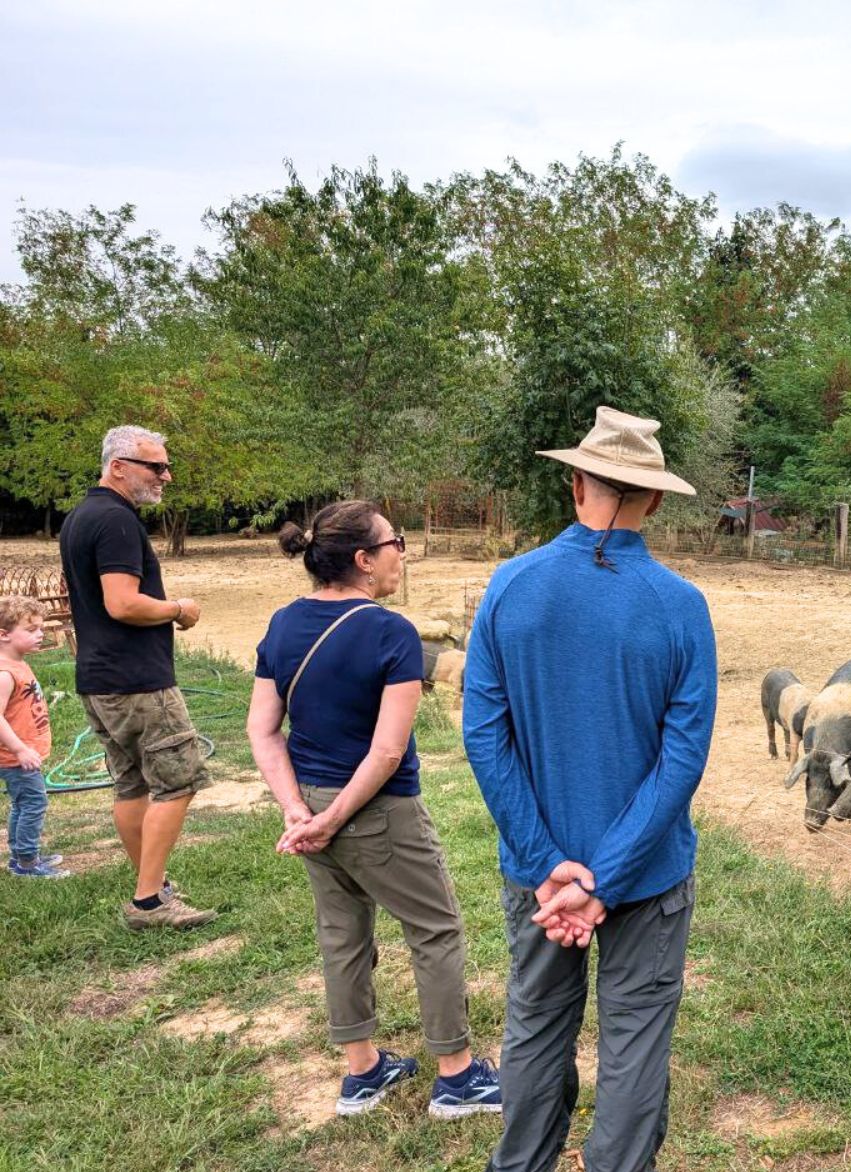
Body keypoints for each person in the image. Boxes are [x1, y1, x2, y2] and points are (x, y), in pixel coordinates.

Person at [466, 407, 717, 1172]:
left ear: (575, 481)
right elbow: (682, 761)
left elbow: (484, 736)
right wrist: (601, 877)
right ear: (658, 501)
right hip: (645, 878)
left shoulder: (510, 587)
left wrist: (548, 866)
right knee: (636, 1037)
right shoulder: (681, 607)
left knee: (537, 1021)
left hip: (537, 880)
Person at [248, 500, 502, 1120]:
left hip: (310, 804)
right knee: (435, 930)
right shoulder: (392, 633)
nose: (403, 552)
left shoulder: (282, 624)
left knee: (342, 934)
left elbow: (262, 730)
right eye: (396, 541)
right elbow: (388, 751)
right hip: (378, 813)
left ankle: (361, 1073)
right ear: (364, 561)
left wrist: (298, 811)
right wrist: (334, 819)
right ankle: (457, 1076)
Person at [59, 425, 212, 928]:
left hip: (98, 677)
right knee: (180, 780)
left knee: (131, 786)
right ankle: (149, 901)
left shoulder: (81, 516)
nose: (165, 475)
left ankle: (153, 885)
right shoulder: (117, 521)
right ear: (118, 466)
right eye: (156, 466)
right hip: (137, 681)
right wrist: (178, 609)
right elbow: (122, 603)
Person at [0, 597, 69, 878]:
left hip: (23, 755)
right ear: (4, 635)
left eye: (41, 628)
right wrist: (19, 750)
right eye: (30, 630)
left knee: (23, 803)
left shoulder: (18, 663)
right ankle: (27, 863)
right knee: (33, 803)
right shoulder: (5, 673)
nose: (40, 634)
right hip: (16, 758)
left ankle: (21, 856)